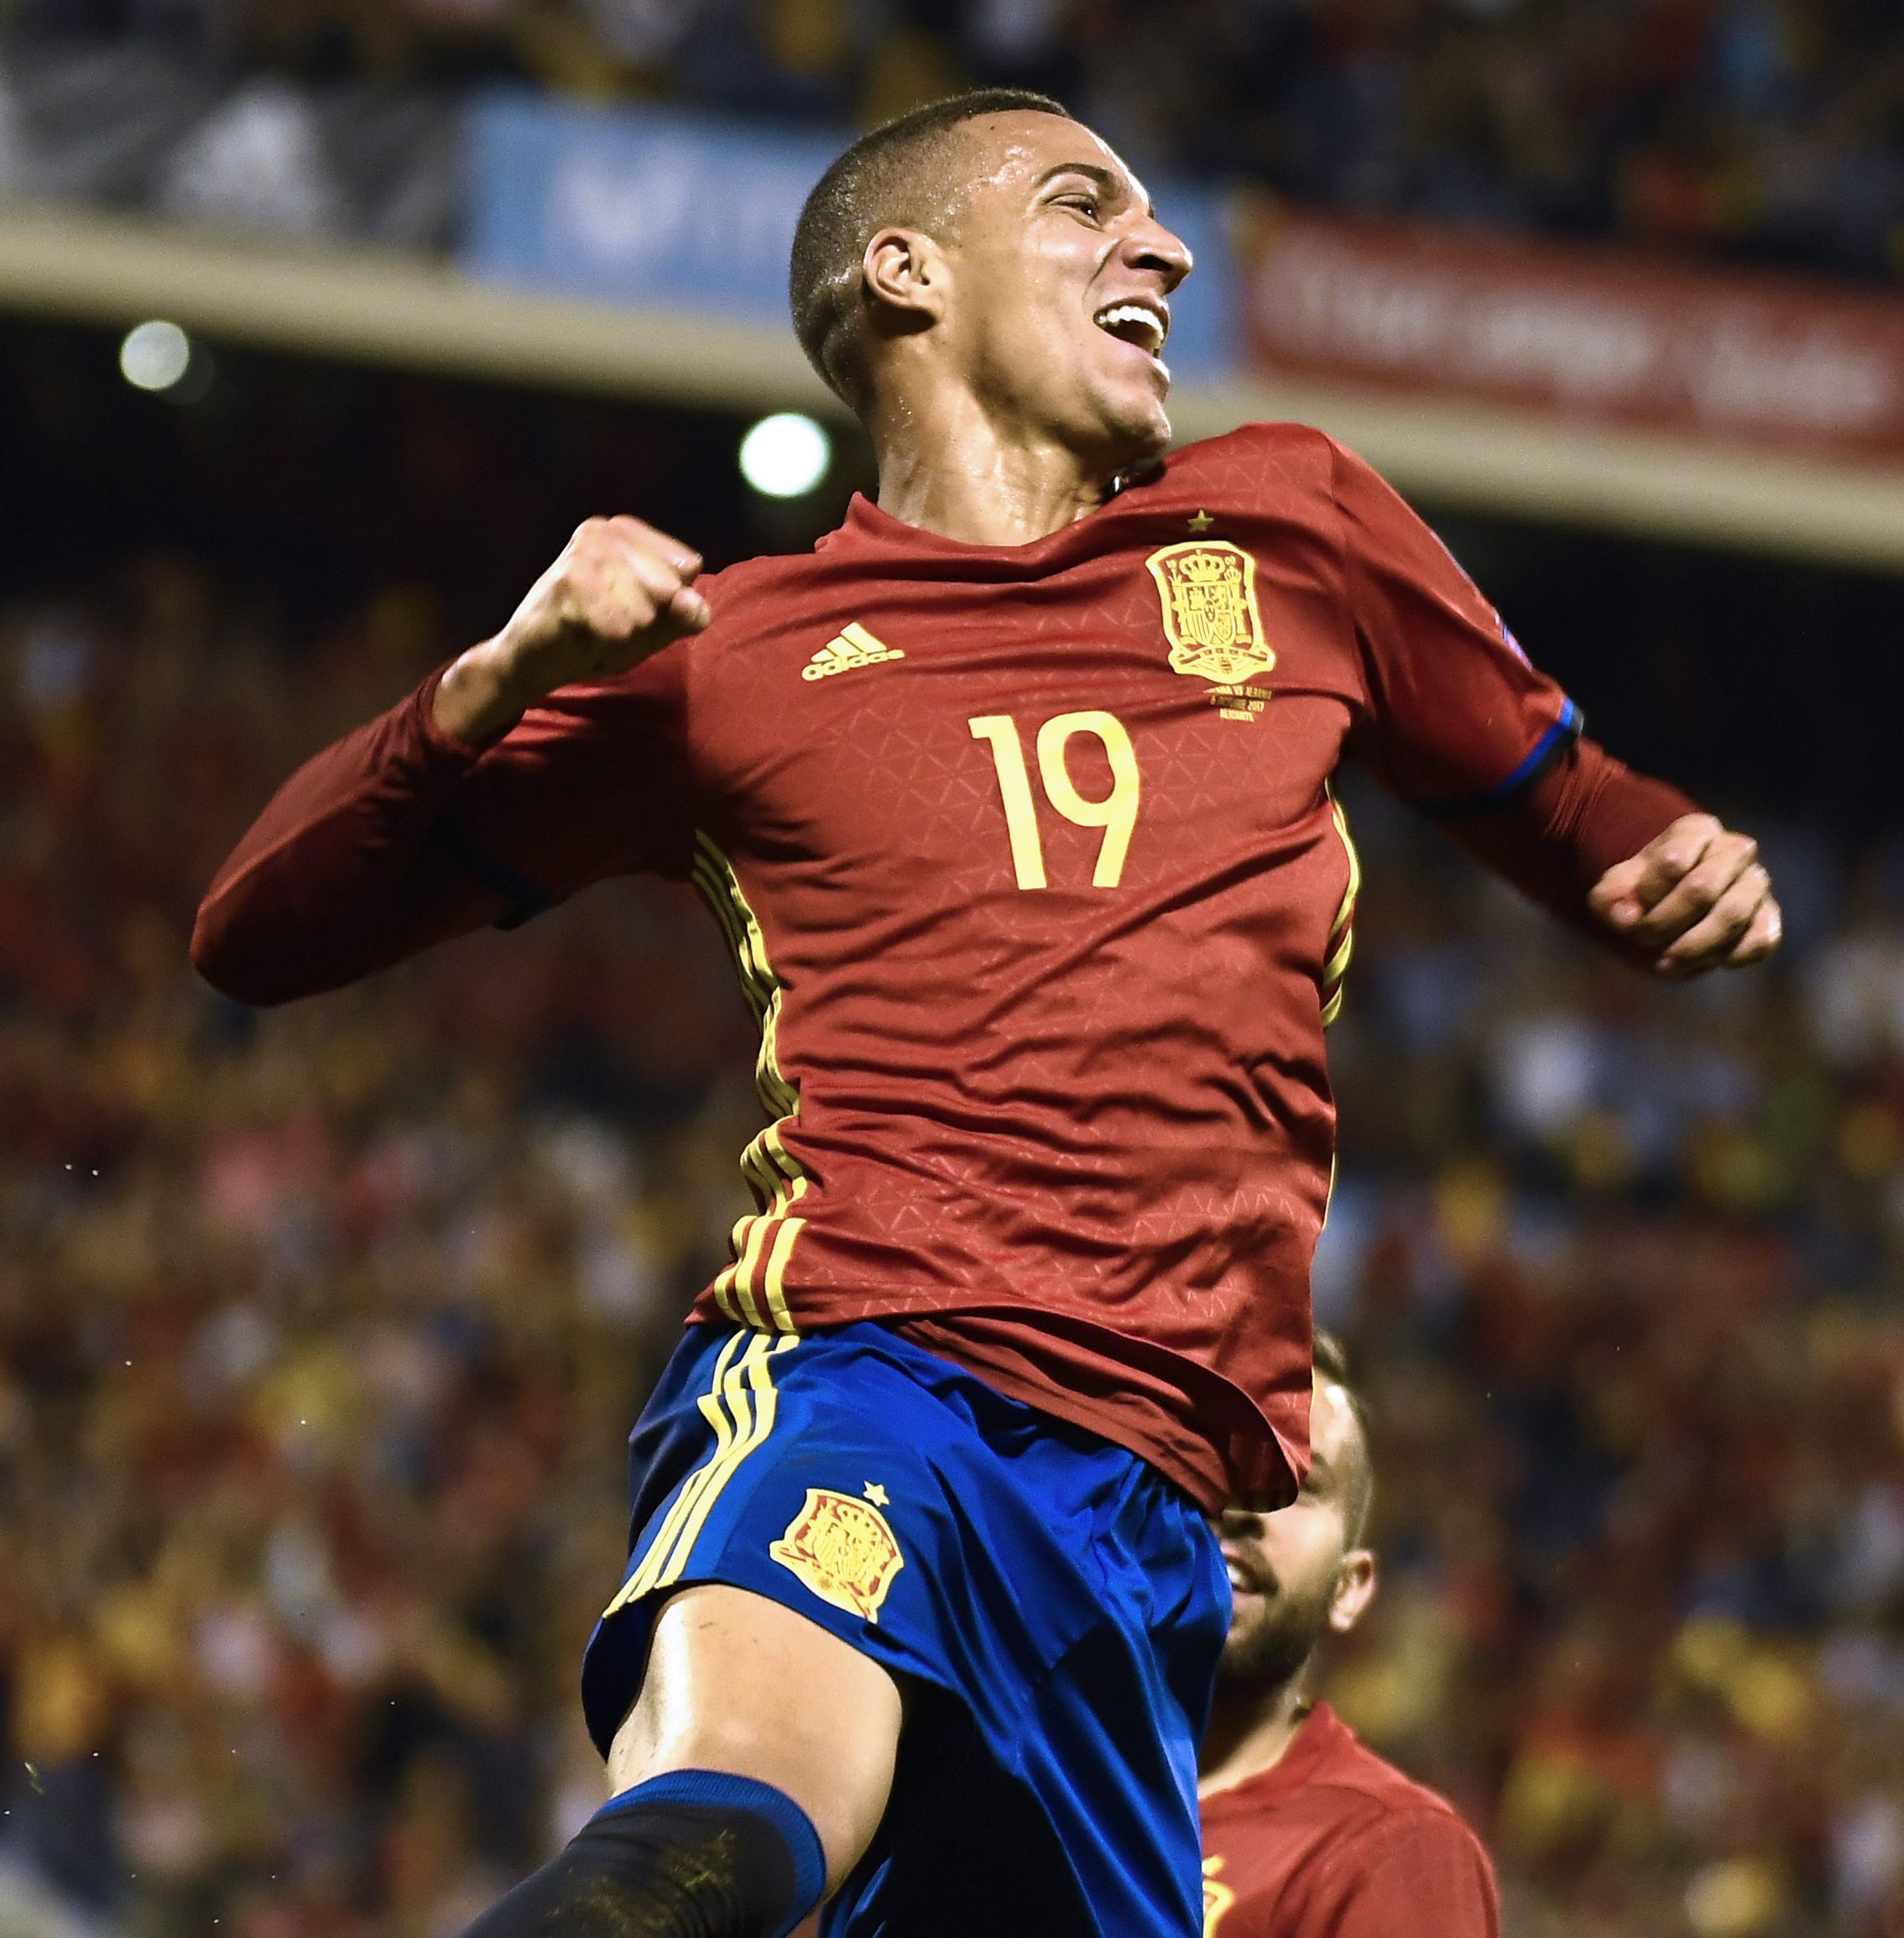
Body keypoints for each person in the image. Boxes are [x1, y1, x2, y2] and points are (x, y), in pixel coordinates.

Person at [190, 86, 1779, 1938]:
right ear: (906, 272)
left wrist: (1665, 856)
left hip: (1149, 1544)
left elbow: (1584, 814)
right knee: (714, 1836)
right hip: (882, 1378)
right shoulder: (735, 656)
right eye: (1084, 205)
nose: (1161, 248)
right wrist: (491, 678)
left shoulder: (1293, 529)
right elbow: (256, 930)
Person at [1198, 1334, 1495, 1938]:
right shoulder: (1024, 1785)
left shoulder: (1390, 1852)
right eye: (1214, 1462)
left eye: (1296, 1484)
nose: (1243, 1505)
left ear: (1349, 1588)